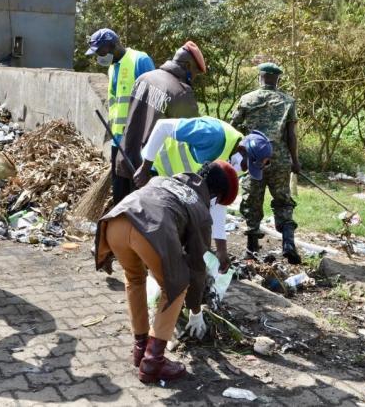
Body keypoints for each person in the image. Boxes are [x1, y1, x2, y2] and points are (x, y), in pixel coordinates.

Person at [95, 161, 240, 384]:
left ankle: (140, 348)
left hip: (115, 222)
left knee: (134, 279)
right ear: (216, 195)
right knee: (176, 285)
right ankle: (153, 361)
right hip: (150, 230)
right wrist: (195, 310)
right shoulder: (200, 210)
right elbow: (197, 268)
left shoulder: (165, 179)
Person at [133, 116, 273, 270]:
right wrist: (146, 167)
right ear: (241, 150)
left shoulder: (233, 166)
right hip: (155, 167)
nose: (244, 170)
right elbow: (163, 126)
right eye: (246, 165)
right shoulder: (213, 134)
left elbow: (219, 203)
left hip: (178, 187)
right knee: (150, 229)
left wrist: (221, 249)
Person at [231, 62, 301, 264]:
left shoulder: (247, 99)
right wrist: (295, 161)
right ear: (277, 79)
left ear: (260, 77)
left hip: (254, 157)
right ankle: (288, 244)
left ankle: (251, 249)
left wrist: (238, 151)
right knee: (283, 200)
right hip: (279, 159)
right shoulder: (288, 101)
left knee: (252, 200)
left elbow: (233, 127)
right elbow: (291, 136)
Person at [116, 41, 206, 191]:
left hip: (127, 157)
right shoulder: (181, 92)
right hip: (150, 172)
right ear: (187, 66)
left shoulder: (143, 78)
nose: (194, 77)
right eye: (196, 72)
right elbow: (190, 135)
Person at [86, 28, 155, 204]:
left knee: (137, 193)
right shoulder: (112, 68)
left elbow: (153, 103)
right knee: (120, 192)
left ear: (113, 45)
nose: (99, 57)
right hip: (118, 140)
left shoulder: (140, 60)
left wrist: (145, 138)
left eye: (100, 51)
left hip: (136, 141)